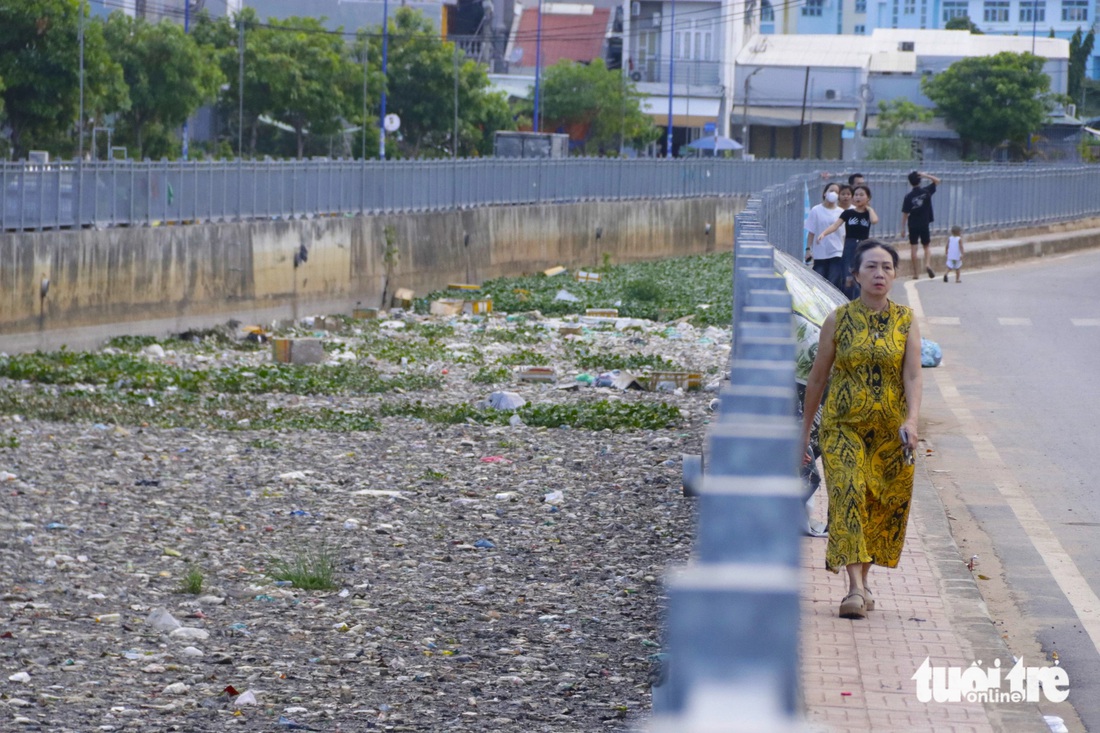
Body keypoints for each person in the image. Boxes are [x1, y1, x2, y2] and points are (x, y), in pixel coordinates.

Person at [799, 240, 923, 619]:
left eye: (886, 267)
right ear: (854, 275)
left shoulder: (905, 320)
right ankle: (853, 589)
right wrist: (804, 433)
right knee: (848, 495)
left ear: (895, 274)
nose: (879, 273)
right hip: (842, 427)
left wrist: (912, 419)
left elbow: (913, 374)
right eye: (871, 267)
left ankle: (865, 580)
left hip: (889, 431)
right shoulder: (838, 319)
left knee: (878, 504)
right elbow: (817, 379)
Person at [817, 184, 878, 299]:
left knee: (862, 277)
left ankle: (862, 303)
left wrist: (869, 208)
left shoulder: (868, 214)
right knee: (848, 278)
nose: (858, 197)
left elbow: (874, 220)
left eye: (861, 195)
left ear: (868, 198)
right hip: (850, 247)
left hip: (863, 248)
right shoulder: (848, 213)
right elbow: (835, 225)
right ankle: (849, 303)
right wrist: (824, 233)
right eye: (856, 195)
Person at [804, 183, 846, 292]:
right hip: (820, 252)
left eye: (837, 192)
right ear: (825, 193)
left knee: (833, 282)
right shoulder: (816, 210)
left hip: (837, 251)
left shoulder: (841, 212)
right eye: (831, 190)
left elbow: (844, 234)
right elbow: (811, 232)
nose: (834, 194)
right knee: (819, 282)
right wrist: (808, 249)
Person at [900, 170, 941, 280]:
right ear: (920, 180)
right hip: (924, 223)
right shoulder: (926, 191)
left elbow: (905, 213)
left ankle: (915, 273)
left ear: (910, 182)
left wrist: (903, 228)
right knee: (926, 246)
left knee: (914, 248)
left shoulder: (908, 196)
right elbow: (938, 181)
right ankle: (927, 264)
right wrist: (925, 175)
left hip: (913, 224)